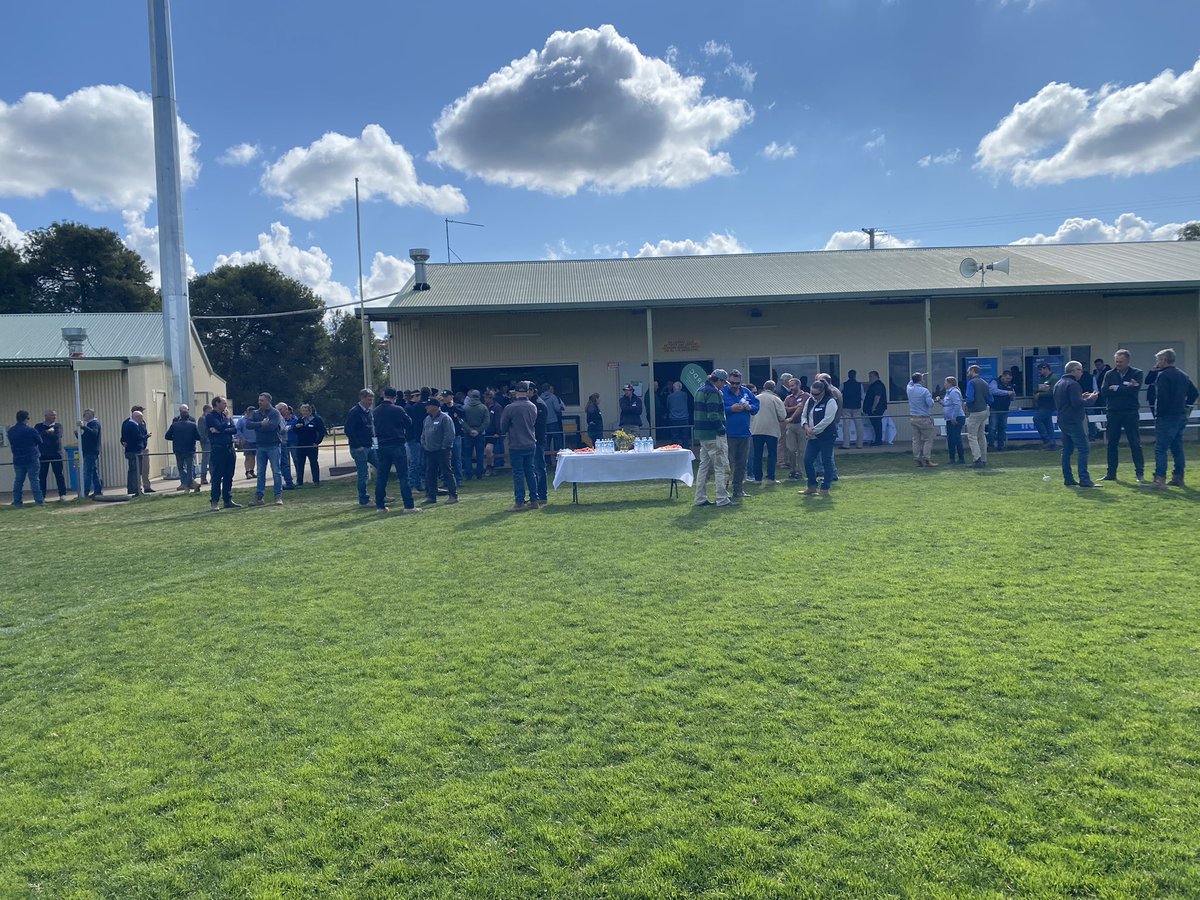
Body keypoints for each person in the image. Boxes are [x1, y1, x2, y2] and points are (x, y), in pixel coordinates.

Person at [1146, 348, 1198, 488]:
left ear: (1164, 360)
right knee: (1177, 448)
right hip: (1180, 415)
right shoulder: (1183, 375)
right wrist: (1186, 407)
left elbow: (1162, 397)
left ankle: (1159, 479)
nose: (1157, 362)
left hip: (1166, 416)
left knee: (1160, 448)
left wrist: (1159, 414)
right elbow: (1194, 393)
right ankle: (1178, 477)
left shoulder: (1163, 376)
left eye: (1158, 360)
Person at [1099, 349, 1144, 483]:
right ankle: (1111, 473)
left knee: (1135, 443)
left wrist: (1116, 388)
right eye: (1116, 361)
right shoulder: (1109, 374)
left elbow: (1134, 390)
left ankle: (1139, 473)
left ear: (1128, 361)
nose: (1118, 364)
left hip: (1130, 412)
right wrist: (1125, 388)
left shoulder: (1137, 373)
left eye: (1121, 362)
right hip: (1113, 412)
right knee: (1112, 443)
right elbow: (1104, 392)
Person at [372, 388, 419, 514]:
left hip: (381, 446)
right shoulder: (398, 409)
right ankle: (408, 506)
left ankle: (380, 506)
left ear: (384, 396)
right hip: (397, 444)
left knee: (382, 477)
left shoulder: (375, 411)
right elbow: (408, 423)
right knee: (403, 476)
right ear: (395, 398)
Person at [1053, 361, 1099, 487]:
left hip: (1063, 420)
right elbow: (1076, 404)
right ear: (1074, 371)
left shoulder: (1059, 384)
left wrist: (1081, 397)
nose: (1081, 372)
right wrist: (1090, 400)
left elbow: (1068, 400)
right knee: (1084, 449)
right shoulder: (1074, 384)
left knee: (1067, 450)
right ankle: (1084, 479)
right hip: (1073, 420)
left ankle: (1068, 478)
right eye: (1080, 370)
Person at [693, 370, 731, 507]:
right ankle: (722, 498)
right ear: (719, 380)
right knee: (720, 467)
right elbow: (713, 415)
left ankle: (700, 498)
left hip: (702, 435)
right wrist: (722, 430)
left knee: (703, 467)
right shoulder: (713, 393)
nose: (724, 386)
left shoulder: (699, 390)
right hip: (714, 435)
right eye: (723, 383)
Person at [500, 381, 539, 510]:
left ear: (515, 392)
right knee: (530, 472)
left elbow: (503, 427)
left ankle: (520, 501)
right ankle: (534, 500)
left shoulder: (510, 408)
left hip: (516, 444)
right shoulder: (533, 406)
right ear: (527, 391)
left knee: (518, 473)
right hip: (530, 442)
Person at [721, 369, 759, 499]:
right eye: (731, 382)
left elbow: (756, 405)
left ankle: (738, 490)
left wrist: (750, 408)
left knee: (742, 463)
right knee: (728, 464)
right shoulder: (722, 393)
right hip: (729, 434)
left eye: (737, 383)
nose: (734, 385)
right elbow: (718, 410)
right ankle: (723, 491)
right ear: (727, 382)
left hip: (744, 434)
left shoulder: (746, 392)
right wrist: (731, 409)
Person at [800, 380, 839, 497]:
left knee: (826, 461)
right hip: (812, 436)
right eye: (812, 393)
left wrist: (814, 430)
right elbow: (804, 414)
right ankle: (812, 486)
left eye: (816, 394)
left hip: (826, 436)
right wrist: (806, 426)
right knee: (807, 460)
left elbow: (827, 420)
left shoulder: (830, 401)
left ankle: (825, 487)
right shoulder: (810, 400)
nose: (814, 396)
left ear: (823, 392)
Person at [204, 396, 241, 510]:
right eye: (224, 403)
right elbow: (219, 426)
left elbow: (234, 429)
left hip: (229, 448)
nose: (226, 405)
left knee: (229, 475)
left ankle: (227, 499)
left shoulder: (226, 416)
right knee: (217, 476)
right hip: (218, 449)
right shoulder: (211, 416)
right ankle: (214, 501)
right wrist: (225, 424)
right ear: (217, 404)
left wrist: (221, 430)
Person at [249, 392, 285, 506]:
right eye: (259, 400)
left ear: (268, 401)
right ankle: (259, 497)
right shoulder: (256, 413)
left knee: (276, 472)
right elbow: (248, 425)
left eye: (262, 400)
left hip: (273, 445)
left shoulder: (275, 413)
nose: (259, 402)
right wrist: (261, 424)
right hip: (260, 446)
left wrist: (258, 427)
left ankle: (278, 496)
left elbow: (272, 427)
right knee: (260, 472)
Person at [421, 396, 459, 505]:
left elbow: (449, 434)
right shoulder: (427, 419)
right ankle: (431, 496)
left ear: (434, 407)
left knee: (447, 472)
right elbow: (424, 433)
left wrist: (443, 447)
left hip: (442, 451)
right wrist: (424, 444)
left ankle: (453, 495)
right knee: (430, 474)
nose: (426, 408)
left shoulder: (445, 418)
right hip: (429, 451)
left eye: (428, 406)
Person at [345, 389, 377, 507]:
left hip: (371, 446)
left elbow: (372, 429)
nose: (371, 402)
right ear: (362, 398)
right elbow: (348, 430)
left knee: (382, 467)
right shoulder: (354, 412)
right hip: (360, 448)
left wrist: (375, 444)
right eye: (369, 399)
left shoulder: (369, 412)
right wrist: (357, 446)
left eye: (372, 399)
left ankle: (381, 494)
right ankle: (364, 500)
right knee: (363, 474)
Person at [750, 380, 787, 484]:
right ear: (774, 388)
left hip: (756, 430)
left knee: (757, 455)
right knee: (772, 454)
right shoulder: (776, 399)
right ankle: (771, 478)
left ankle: (757, 478)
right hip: (771, 430)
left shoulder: (756, 398)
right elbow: (782, 416)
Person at [7, 410, 44, 507]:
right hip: (31, 458)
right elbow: (40, 441)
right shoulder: (31, 430)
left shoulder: (11, 431)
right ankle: (39, 501)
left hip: (18, 458)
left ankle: (17, 501)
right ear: (26, 419)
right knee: (34, 480)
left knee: (18, 481)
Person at [164, 404, 202, 493]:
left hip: (178, 449)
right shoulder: (192, 425)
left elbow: (167, 436)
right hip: (189, 449)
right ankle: (191, 483)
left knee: (181, 468)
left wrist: (175, 438)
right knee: (190, 468)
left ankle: (186, 485)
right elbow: (198, 437)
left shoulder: (175, 425)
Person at [35, 410, 68, 501]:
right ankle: (42, 495)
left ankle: (62, 494)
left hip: (56, 453)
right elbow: (37, 437)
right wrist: (47, 432)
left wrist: (49, 434)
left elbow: (57, 436)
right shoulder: (38, 426)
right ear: (46, 416)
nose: (54, 417)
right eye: (52, 415)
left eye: (55, 415)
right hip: (43, 454)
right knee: (42, 475)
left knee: (59, 474)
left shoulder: (58, 426)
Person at [906, 373, 937, 467]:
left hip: (913, 418)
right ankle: (927, 459)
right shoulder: (925, 391)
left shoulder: (909, 389)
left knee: (916, 440)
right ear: (921, 380)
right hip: (924, 418)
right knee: (928, 439)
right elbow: (930, 404)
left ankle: (917, 459)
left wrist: (918, 376)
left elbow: (910, 383)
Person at [963, 365, 991, 468]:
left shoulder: (971, 383)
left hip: (974, 411)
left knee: (972, 436)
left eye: (968, 371)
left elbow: (970, 398)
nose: (967, 374)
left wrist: (967, 404)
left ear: (972, 370)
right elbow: (990, 399)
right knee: (981, 435)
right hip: (984, 410)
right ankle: (984, 459)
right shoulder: (984, 382)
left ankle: (977, 459)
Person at [293, 403, 326, 486]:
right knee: (300, 464)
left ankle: (316, 481)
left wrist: (317, 442)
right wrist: (296, 427)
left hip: (311, 445)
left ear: (310, 411)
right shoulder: (300, 420)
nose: (304, 413)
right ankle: (299, 482)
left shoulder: (316, 420)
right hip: (301, 445)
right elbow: (296, 432)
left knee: (313, 462)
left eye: (306, 411)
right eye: (303, 411)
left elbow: (321, 432)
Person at [783, 378, 809, 479]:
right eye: (790, 386)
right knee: (791, 449)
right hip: (791, 425)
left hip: (802, 425)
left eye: (793, 385)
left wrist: (791, 414)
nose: (791, 388)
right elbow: (784, 408)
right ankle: (792, 470)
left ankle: (800, 471)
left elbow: (801, 408)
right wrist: (794, 408)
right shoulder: (789, 397)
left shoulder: (806, 396)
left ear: (798, 385)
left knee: (802, 450)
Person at [461, 389, 489, 479]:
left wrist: (469, 430)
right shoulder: (484, 407)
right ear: (479, 396)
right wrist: (479, 430)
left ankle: (469, 473)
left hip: (467, 433)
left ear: (471, 397)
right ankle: (479, 474)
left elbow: (462, 421)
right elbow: (486, 421)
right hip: (480, 434)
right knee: (480, 454)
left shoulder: (464, 407)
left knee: (467, 455)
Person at [529, 383, 550, 505]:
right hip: (533, 440)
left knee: (539, 468)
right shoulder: (534, 403)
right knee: (534, 468)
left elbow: (539, 424)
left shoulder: (539, 404)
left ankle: (542, 495)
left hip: (538, 440)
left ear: (531, 391)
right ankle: (536, 494)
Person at [404, 390, 428, 491]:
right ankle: (413, 484)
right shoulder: (410, 408)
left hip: (416, 437)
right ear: (416, 396)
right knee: (414, 461)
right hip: (413, 437)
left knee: (419, 461)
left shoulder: (411, 407)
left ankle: (417, 484)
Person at [120, 409, 148, 496]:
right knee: (136, 471)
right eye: (141, 418)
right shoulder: (132, 425)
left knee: (131, 470)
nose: (142, 420)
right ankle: (136, 490)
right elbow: (137, 437)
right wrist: (146, 436)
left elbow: (123, 438)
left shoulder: (126, 424)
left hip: (129, 450)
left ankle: (131, 489)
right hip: (135, 451)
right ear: (136, 417)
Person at [987, 372, 1016, 452]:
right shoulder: (995, 382)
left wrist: (1013, 396)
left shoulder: (1010, 385)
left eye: (1009, 379)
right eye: (1007, 378)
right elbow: (993, 391)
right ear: (1002, 376)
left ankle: (1001, 446)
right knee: (993, 428)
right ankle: (991, 446)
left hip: (1005, 409)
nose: (1008, 381)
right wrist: (1007, 393)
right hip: (995, 409)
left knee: (1002, 428)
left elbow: (1013, 397)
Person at [78, 408, 103, 497]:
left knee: (87, 472)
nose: (84, 415)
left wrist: (83, 427)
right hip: (88, 450)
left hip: (91, 451)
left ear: (92, 415)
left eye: (87, 414)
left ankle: (85, 492)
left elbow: (94, 433)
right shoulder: (89, 424)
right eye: (84, 413)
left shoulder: (94, 424)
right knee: (93, 472)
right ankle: (97, 490)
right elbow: (87, 438)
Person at [1032, 363, 1059, 450]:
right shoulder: (1041, 378)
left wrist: (1040, 394)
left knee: (1036, 419)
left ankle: (1047, 440)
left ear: (1046, 368)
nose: (1039, 372)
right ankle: (1052, 444)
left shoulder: (1053, 378)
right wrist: (1040, 390)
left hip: (1049, 404)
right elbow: (1035, 388)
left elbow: (1053, 392)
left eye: (1040, 370)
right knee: (1048, 424)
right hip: (1041, 404)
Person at [941, 376, 965, 464]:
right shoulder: (948, 393)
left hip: (956, 418)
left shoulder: (954, 392)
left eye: (945, 382)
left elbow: (957, 405)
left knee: (956, 438)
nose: (944, 384)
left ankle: (961, 458)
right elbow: (947, 404)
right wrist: (940, 401)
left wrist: (953, 417)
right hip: (949, 418)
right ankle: (952, 459)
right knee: (951, 439)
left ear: (950, 383)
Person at [274, 403, 298, 490]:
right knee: (284, 463)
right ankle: (288, 482)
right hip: (282, 442)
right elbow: (281, 430)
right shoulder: (279, 418)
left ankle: (288, 482)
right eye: (285, 409)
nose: (287, 411)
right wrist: (288, 428)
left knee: (283, 464)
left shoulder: (278, 417)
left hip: (282, 441)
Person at [132, 405, 155, 493]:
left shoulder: (143, 422)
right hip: (138, 449)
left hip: (144, 447)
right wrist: (146, 436)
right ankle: (138, 488)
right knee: (138, 470)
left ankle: (147, 486)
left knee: (146, 469)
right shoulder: (132, 423)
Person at [840, 370, 865, 449]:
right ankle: (859, 444)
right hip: (857, 407)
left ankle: (846, 444)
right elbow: (862, 397)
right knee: (859, 426)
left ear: (848, 375)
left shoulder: (843, 385)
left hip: (846, 407)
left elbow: (838, 394)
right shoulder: (859, 385)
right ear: (855, 375)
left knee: (846, 426)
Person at [862, 370, 887, 447]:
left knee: (877, 424)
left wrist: (874, 407)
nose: (869, 378)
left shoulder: (877, 385)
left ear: (876, 376)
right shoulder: (874, 385)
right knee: (875, 425)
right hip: (874, 408)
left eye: (871, 376)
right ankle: (877, 440)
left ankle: (878, 441)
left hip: (876, 409)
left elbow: (877, 397)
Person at [539, 383, 566, 452]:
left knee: (547, 441)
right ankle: (558, 456)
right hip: (553, 421)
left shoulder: (540, 398)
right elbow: (557, 408)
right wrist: (561, 406)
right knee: (557, 439)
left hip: (544, 422)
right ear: (549, 389)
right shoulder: (553, 397)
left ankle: (548, 460)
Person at [665, 381, 690, 447]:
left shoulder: (670, 396)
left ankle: (674, 448)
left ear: (673, 388)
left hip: (673, 418)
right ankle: (686, 448)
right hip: (684, 417)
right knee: (685, 435)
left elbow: (668, 406)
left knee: (674, 435)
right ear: (680, 387)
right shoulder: (685, 395)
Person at [236, 406, 257, 478]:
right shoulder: (242, 420)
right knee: (248, 457)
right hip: (247, 441)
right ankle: (247, 472)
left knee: (253, 457)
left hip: (255, 440)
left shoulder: (255, 419)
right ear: (247, 412)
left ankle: (252, 471)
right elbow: (237, 429)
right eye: (250, 411)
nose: (252, 413)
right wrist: (242, 437)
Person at [197, 404, 212, 486]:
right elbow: (202, 432)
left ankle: (213, 477)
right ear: (206, 411)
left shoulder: (208, 418)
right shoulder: (202, 419)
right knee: (205, 460)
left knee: (211, 460)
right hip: (206, 443)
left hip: (210, 442)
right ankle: (203, 477)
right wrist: (206, 439)